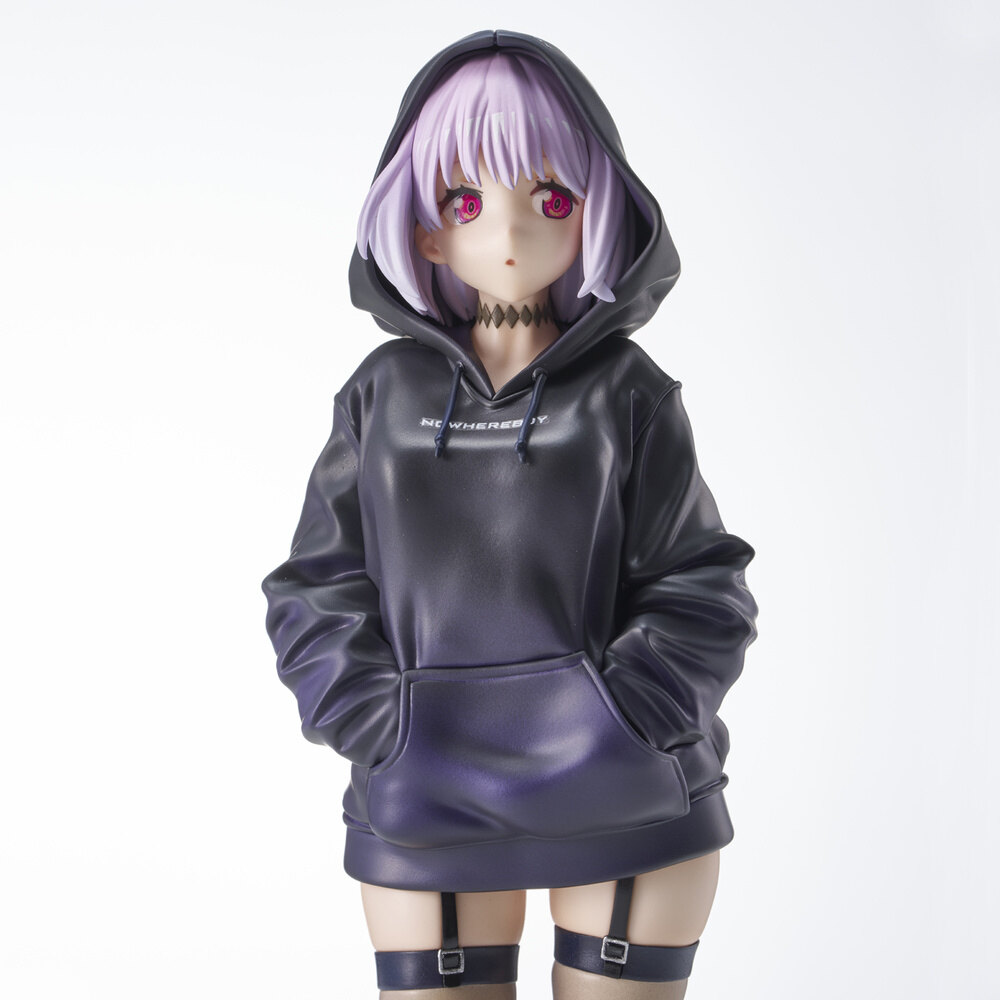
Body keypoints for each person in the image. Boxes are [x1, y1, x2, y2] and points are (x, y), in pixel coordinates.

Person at [262, 29, 758, 1000]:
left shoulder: (629, 392)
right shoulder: (380, 396)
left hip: (625, 796)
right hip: (423, 797)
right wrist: (383, 723)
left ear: (598, 212)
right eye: (466, 200)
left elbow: (701, 583)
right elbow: (315, 587)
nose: (510, 229)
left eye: (553, 199)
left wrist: (628, 715)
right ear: (423, 228)